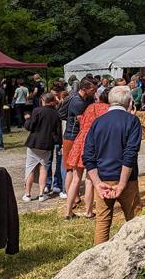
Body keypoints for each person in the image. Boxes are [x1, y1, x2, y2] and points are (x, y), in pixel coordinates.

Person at [83, 86, 143, 245]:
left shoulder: (98, 122)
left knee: (102, 222)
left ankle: (98, 255)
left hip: (103, 178)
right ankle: (137, 252)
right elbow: (130, 153)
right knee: (134, 220)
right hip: (127, 179)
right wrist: (122, 184)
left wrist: (97, 183)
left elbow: (88, 155)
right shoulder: (132, 121)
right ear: (129, 103)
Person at [63, 88, 109, 220]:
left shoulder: (90, 107)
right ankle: (89, 212)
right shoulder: (108, 110)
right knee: (90, 180)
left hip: (81, 140)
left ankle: (68, 212)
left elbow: (82, 122)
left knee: (75, 180)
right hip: (93, 142)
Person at [62, 76, 97, 203]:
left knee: (76, 168)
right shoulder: (77, 102)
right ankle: (71, 198)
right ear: (84, 88)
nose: (95, 92)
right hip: (72, 137)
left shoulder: (87, 99)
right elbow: (83, 122)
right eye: (93, 89)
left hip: (78, 137)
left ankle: (74, 197)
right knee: (70, 168)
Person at [22, 93, 60, 202]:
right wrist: (58, 143)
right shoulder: (55, 113)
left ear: (43, 100)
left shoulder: (37, 110)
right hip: (47, 144)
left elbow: (30, 126)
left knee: (30, 168)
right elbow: (57, 132)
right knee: (43, 168)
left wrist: (27, 119)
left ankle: (27, 194)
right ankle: (41, 194)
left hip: (34, 143)